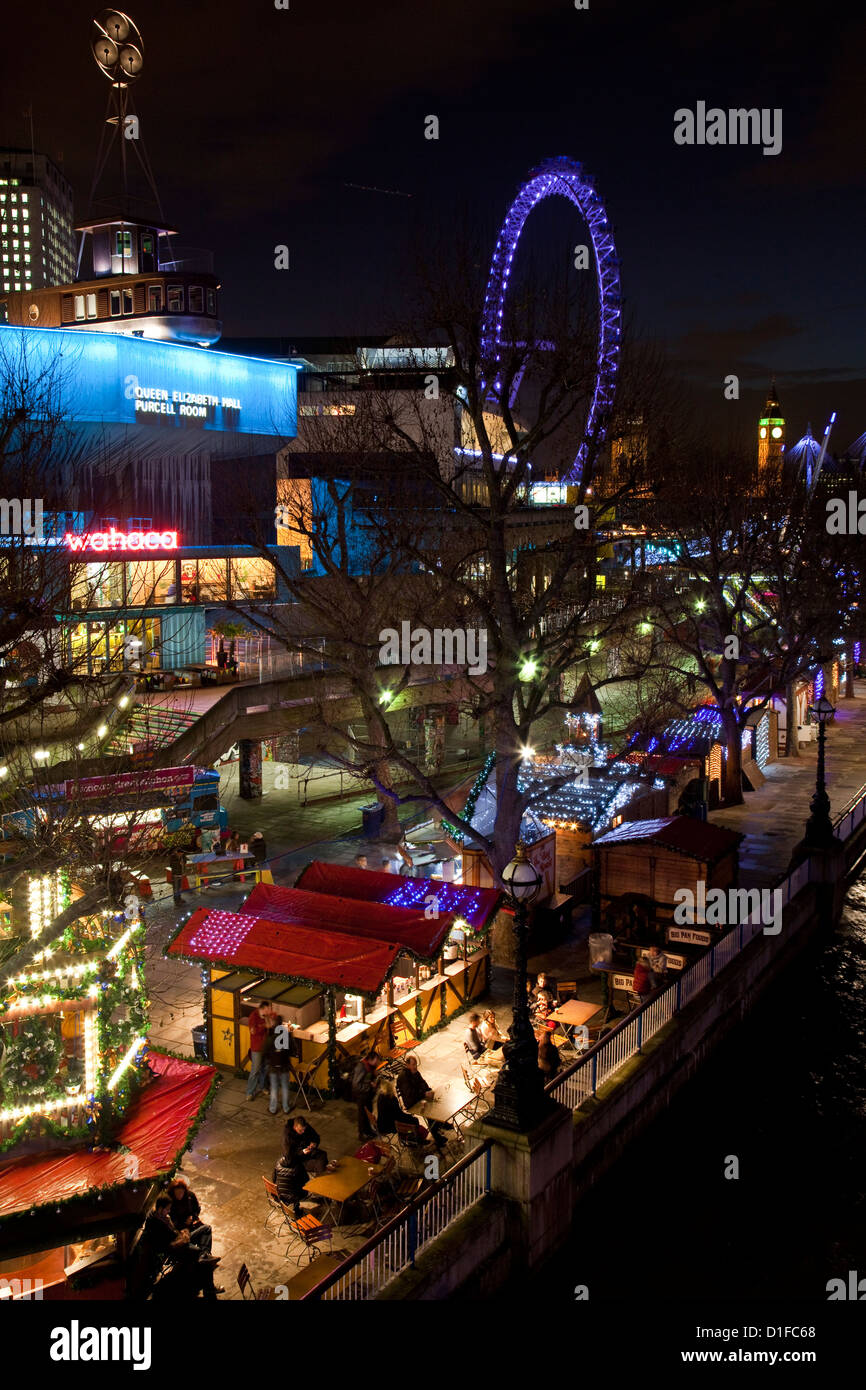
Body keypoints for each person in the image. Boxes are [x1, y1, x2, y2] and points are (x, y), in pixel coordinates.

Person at [137, 1195, 221, 1300]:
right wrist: (182, 1235)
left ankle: (204, 1255)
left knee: (206, 1229)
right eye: (167, 1209)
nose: (168, 1211)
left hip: (180, 1238)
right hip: (176, 1247)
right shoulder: (156, 1223)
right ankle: (209, 1287)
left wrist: (181, 1230)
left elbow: (175, 1231)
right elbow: (169, 1240)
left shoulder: (163, 1217)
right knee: (201, 1256)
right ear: (160, 1208)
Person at [396, 1056, 449, 1150]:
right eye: (413, 1065)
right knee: (429, 1110)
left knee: (436, 1102)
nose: (415, 1066)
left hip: (419, 1097)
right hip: (412, 1102)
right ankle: (437, 1137)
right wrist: (424, 1093)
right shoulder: (404, 1077)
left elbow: (423, 1082)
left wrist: (429, 1090)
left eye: (416, 1064)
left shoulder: (415, 1072)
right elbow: (410, 1094)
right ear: (407, 1065)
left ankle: (440, 1124)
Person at [167, 1175, 212, 1255]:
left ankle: (205, 1254)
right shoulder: (170, 1203)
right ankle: (203, 1254)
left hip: (191, 1227)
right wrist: (182, 1226)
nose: (180, 1195)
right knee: (196, 1250)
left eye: (181, 1193)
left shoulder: (190, 1196)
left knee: (207, 1229)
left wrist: (192, 1217)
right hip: (180, 1234)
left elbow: (197, 1208)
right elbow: (172, 1222)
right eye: (177, 1193)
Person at [264, 1014, 294, 1114]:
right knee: (285, 1087)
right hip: (284, 1065)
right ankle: (286, 1108)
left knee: (274, 1088)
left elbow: (266, 1049)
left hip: (273, 1066)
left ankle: (273, 1109)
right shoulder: (285, 1034)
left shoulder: (271, 1034)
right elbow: (292, 1049)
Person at [245, 1000, 274, 1100]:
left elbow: (271, 1026)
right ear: (263, 1009)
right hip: (257, 1048)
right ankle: (249, 1092)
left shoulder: (267, 1016)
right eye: (268, 1009)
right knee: (255, 1070)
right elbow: (253, 1031)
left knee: (265, 1068)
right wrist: (263, 1026)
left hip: (265, 1047)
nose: (270, 1010)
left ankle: (263, 1086)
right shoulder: (254, 1016)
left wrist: (268, 1021)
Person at [351, 1048, 379, 1140]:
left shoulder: (370, 1067)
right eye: (376, 1061)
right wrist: (370, 1085)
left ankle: (368, 1131)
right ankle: (362, 1134)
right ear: (370, 1059)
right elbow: (356, 1085)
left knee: (368, 1114)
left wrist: (374, 1077)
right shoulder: (361, 1067)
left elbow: (368, 1078)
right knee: (362, 1115)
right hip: (361, 1096)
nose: (377, 1063)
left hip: (368, 1095)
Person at [273, 1151, 309, 1218]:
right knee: (303, 1191)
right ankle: (296, 1208)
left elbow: (274, 1178)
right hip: (292, 1196)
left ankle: (293, 1206)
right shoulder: (298, 1166)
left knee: (293, 1187)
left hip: (278, 1193)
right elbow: (306, 1179)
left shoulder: (278, 1163)